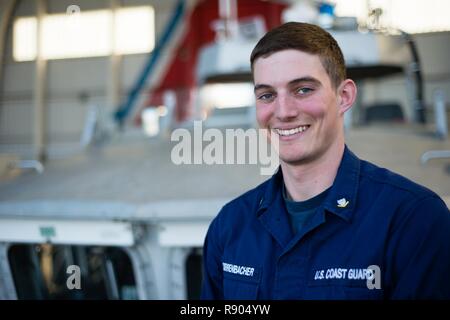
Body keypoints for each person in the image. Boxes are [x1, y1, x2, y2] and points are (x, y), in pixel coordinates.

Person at [200, 22, 450, 300]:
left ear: (344, 96)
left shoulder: (413, 220)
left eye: (303, 89)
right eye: (267, 95)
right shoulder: (230, 226)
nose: (283, 112)